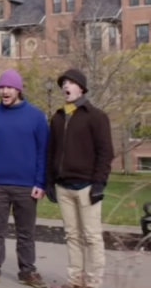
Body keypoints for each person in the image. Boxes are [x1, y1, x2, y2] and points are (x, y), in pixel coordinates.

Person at [0, 69, 49, 287]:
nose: (5, 91)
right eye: (1, 87)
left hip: (27, 186)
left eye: (9, 88)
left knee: (26, 233)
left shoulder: (36, 117)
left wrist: (40, 182)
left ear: (18, 89)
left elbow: (43, 151)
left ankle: (27, 271)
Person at [45, 69, 113, 288]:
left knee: (92, 237)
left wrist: (99, 183)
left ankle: (93, 283)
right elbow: (51, 151)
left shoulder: (96, 116)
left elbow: (105, 152)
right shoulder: (57, 117)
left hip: (87, 186)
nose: (66, 86)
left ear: (81, 87)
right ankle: (76, 280)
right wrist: (49, 181)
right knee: (72, 236)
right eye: (63, 83)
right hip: (64, 186)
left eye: (70, 83)